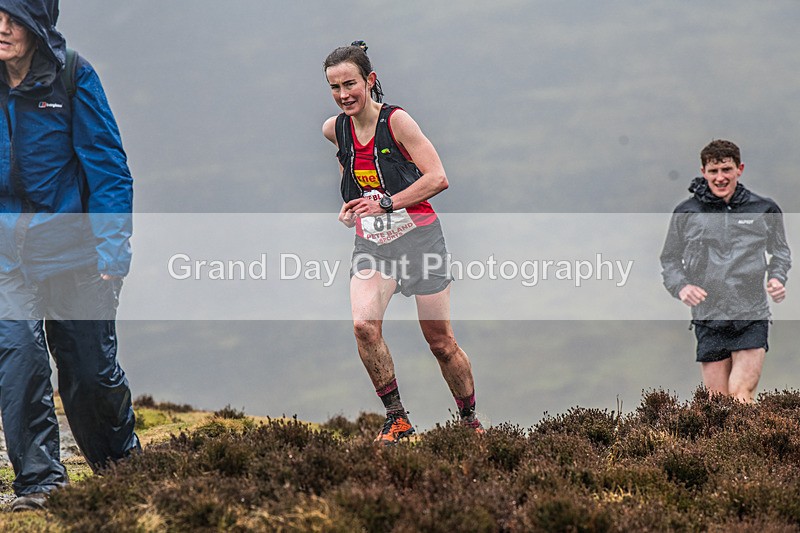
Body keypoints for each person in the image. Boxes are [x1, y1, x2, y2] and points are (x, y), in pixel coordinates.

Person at [0, 0, 139, 511]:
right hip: (6, 255)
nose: (1, 27)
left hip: (75, 251)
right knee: (19, 355)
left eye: (12, 16)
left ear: (37, 22)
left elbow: (108, 172)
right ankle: (40, 483)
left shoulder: (73, 76)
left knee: (88, 372)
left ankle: (121, 472)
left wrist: (111, 253)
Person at [322, 42, 483, 444]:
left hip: (421, 239)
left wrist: (388, 203)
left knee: (441, 343)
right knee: (363, 326)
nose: (344, 95)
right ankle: (397, 418)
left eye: (351, 84)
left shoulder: (397, 123)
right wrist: (352, 209)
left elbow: (437, 178)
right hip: (374, 245)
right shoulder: (335, 129)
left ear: (369, 81)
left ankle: (470, 423)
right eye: (335, 87)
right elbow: (356, 181)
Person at [660, 139, 790, 403]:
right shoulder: (687, 212)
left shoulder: (764, 209)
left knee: (741, 395)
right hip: (709, 318)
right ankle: (726, 446)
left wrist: (777, 277)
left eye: (726, 170)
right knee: (717, 404)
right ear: (703, 171)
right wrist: (682, 286)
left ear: (739, 169)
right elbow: (670, 260)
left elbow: (781, 252)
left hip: (750, 315)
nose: (720, 178)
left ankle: (750, 444)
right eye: (713, 171)